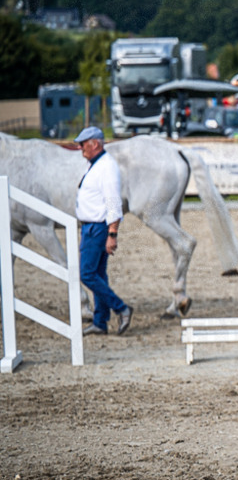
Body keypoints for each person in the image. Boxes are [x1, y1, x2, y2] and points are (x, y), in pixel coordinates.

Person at [74, 127, 132, 336]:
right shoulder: (97, 165)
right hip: (92, 226)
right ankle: (100, 321)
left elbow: (114, 203)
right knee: (98, 274)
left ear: (95, 144)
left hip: (97, 227)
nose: (80, 148)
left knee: (87, 274)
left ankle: (121, 308)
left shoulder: (106, 167)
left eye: (83, 144)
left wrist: (112, 233)